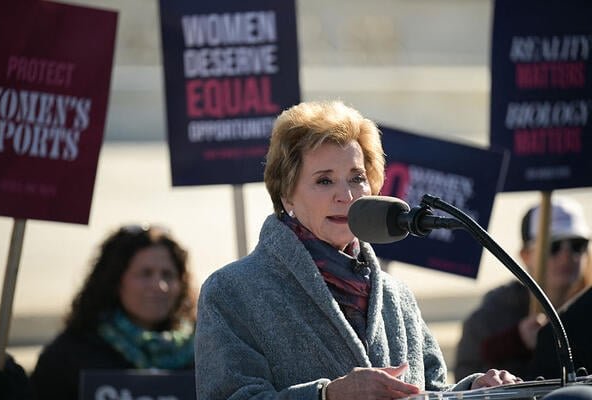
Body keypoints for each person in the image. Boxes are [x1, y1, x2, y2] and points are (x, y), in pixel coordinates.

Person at [194, 100, 520, 400]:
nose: (346, 196)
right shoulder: (231, 291)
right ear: (286, 194)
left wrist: (475, 390)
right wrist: (328, 395)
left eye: (356, 178)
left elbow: (432, 391)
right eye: (325, 180)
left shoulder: (396, 296)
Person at [30, 224, 197, 400]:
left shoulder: (204, 352)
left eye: (167, 275)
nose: (159, 286)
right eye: (145, 274)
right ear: (115, 281)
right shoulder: (68, 356)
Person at [454, 197, 591, 381]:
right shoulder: (492, 315)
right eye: (553, 246)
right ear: (525, 255)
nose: (566, 256)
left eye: (577, 245)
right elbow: (465, 378)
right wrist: (515, 341)